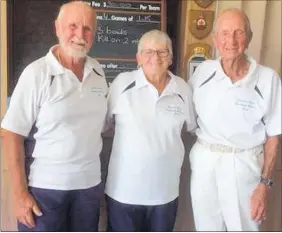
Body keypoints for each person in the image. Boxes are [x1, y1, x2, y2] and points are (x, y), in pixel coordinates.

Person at [1, 1, 108, 231]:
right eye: (72, 26)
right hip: (45, 192)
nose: (80, 34)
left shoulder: (98, 71)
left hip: (88, 189)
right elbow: (11, 133)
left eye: (87, 28)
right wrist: (19, 194)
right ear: (57, 28)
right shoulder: (37, 73)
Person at [188, 8, 281, 231]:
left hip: (244, 165)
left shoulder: (268, 79)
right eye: (225, 33)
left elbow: (274, 137)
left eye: (238, 33)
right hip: (205, 163)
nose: (231, 40)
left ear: (248, 39)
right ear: (215, 40)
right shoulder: (201, 72)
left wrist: (265, 184)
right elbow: (191, 120)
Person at [104, 29, 197, 232]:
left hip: (165, 194)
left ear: (170, 58)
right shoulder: (121, 84)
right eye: (148, 52)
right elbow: (105, 124)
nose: (155, 57)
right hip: (123, 193)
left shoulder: (183, 90)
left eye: (162, 52)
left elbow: (193, 127)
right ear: (138, 58)